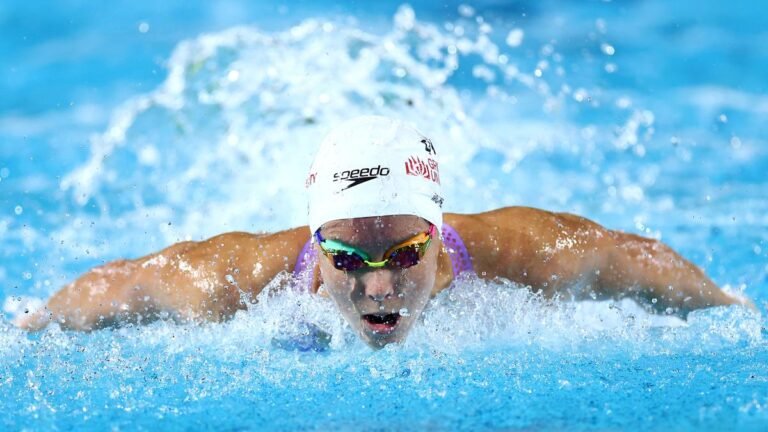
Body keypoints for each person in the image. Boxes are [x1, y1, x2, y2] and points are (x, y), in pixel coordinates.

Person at [15, 116, 754, 348]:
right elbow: (120, 283)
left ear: (436, 234)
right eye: (347, 258)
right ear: (318, 246)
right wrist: (33, 323)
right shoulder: (223, 282)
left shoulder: (534, 254)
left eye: (404, 253)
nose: (377, 287)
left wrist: (735, 312)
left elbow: (639, 262)